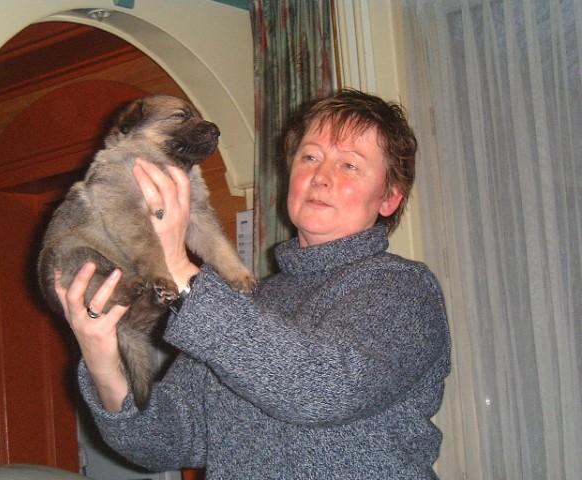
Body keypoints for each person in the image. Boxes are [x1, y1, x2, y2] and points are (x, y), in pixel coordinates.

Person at [56, 89, 451, 479]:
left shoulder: (403, 289)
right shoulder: (246, 303)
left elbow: (323, 389)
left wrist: (175, 266)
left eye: (349, 165)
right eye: (310, 157)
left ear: (388, 198)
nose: (321, 177)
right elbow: (165, 441)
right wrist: (102, 359)